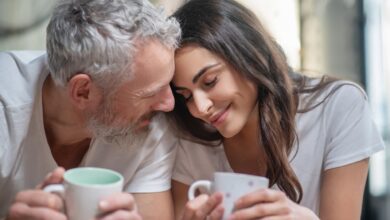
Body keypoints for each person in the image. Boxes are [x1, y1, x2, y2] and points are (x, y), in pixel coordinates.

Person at [168, 0, 385, 219]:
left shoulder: (338, 106)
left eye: (210, 81)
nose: (201, 108)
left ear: (250, 55)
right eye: (186, 95)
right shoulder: (189, 138)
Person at [0, 0, 181, 219]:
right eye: (150, 94)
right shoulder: (5, 109)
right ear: (83, 91)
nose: (169, 104)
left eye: (168, 85)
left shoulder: (148, 124)